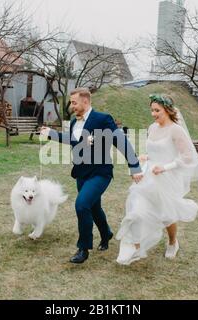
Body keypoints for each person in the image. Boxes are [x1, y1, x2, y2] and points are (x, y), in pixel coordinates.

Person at [40, 88, 143, 264]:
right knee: (94, 208)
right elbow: (73, 140)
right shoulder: (74, 122)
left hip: (100, 172)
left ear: (85, 101)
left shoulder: (103, 119)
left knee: (81, 205)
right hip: (81, 173)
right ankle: (106, 234)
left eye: (74, 102)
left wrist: (134, 166)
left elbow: (121, 140)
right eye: (71, 102)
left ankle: (83, 248)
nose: (71, 106)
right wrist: (51, 133)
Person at [116, 94, 198, 265]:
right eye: (152, 110)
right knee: (136, 210)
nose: (153, 114)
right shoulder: (152, 128)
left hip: (167, 178)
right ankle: (136, 248)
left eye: (157, 110)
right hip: (148, 176)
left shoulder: (176, 130)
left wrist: (166, 167)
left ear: (167, 109)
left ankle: (173, 242)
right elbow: (153, 152)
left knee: (166, 215)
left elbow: (188, 157)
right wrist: (145, 157)